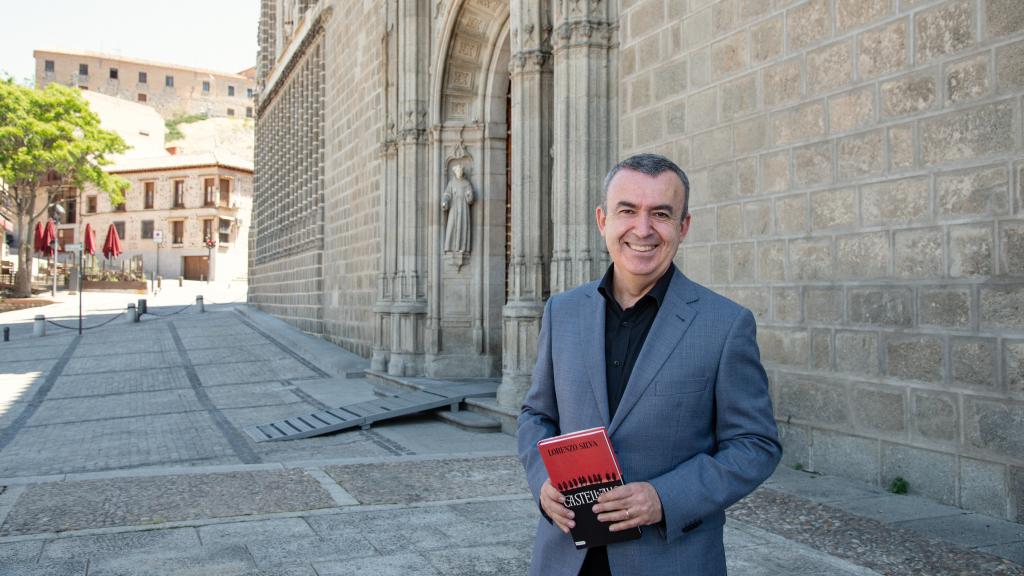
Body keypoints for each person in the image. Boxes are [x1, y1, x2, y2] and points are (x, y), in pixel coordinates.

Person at [517, 153, 781, 576]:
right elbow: (536, 414)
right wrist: (541, 481)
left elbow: (756, 445)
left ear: (683, 226)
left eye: (661, 213)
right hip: (565, 559)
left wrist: (664, 498)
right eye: (628, 211)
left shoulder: (726, 325)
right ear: (603, 220)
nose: (643, 229)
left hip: (670, 559)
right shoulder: (561, 312)